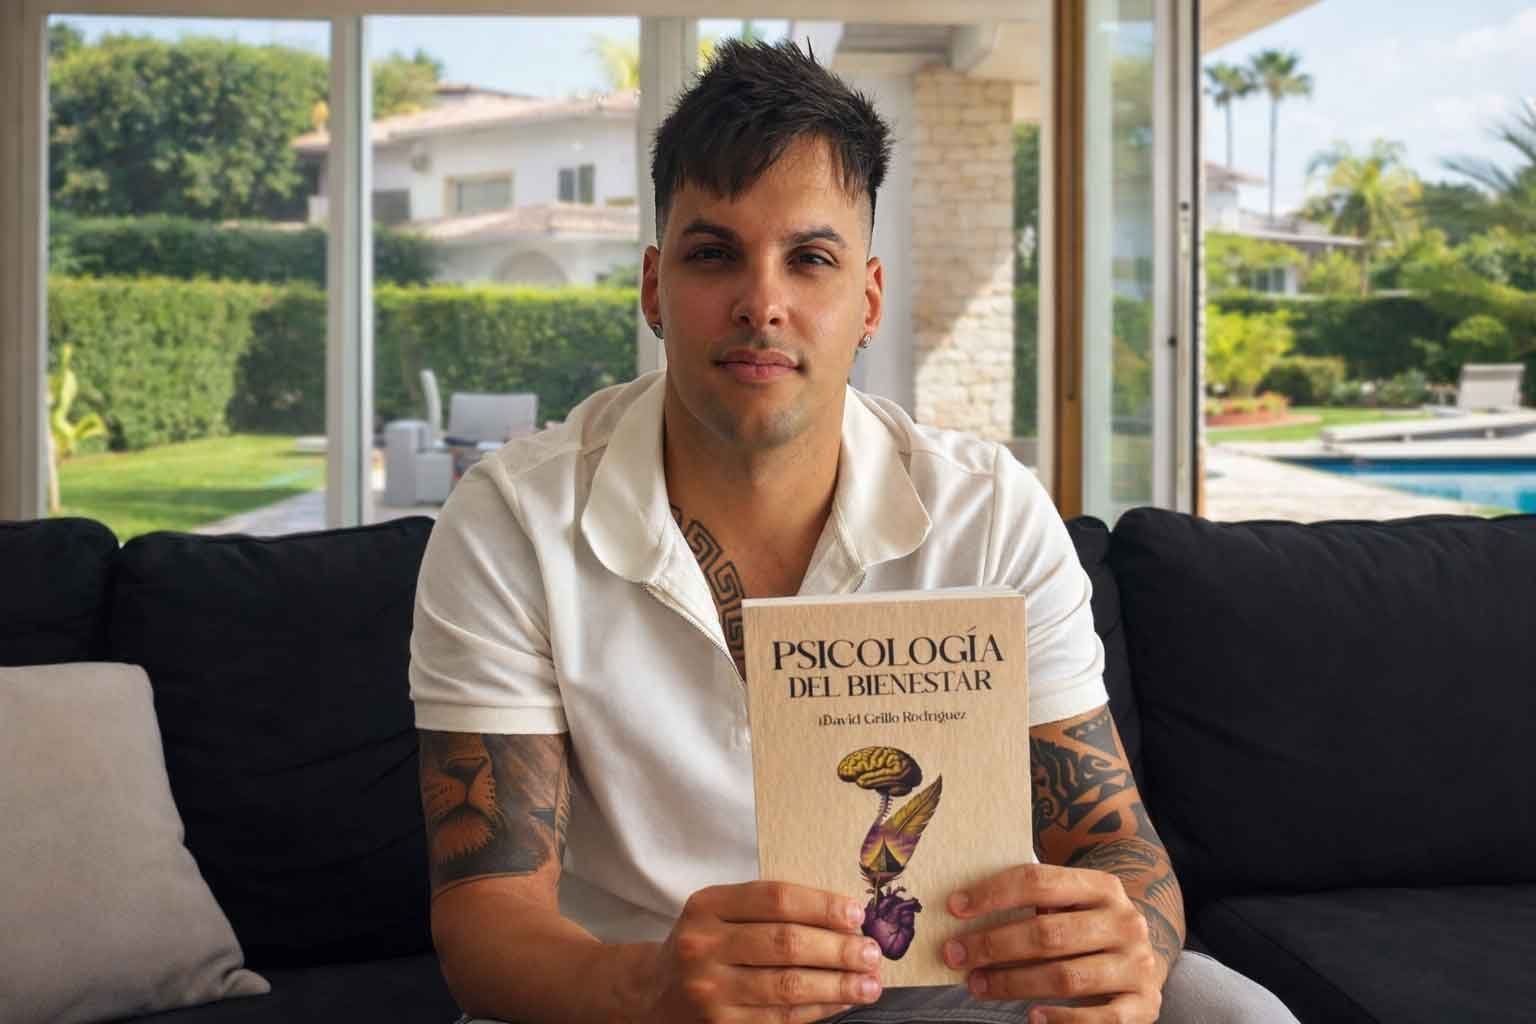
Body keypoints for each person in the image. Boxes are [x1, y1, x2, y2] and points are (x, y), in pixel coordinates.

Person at [408, 39, 1297, 1024]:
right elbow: (485, 918)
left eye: (810, 259)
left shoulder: (989, 510)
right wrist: (650, 986)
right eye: (714, 254)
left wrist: (1127, 941)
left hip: (945, 983)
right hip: (641, 994)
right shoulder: (512, 518)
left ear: (867, 300)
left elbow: (1116, 844)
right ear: (654, 287)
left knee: (1229, 1010)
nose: (763, 304)